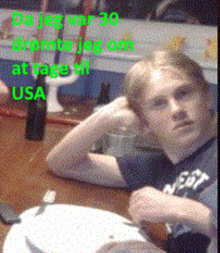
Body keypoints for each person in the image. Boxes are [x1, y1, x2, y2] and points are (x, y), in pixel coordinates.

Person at [46, 50, 217, 252]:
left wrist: (177, 208)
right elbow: (61, 163)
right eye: (159, 103)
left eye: (183, 94)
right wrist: (109, 115)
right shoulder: (157, 168)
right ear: (144, 124)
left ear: (207, 98)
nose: (176, 109)